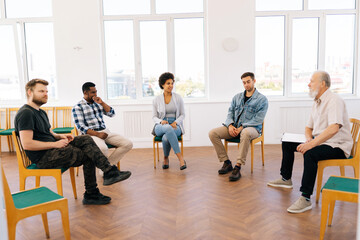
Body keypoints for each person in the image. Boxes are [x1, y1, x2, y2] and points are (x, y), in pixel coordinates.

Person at [15, 79, 130, 205]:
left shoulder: (40, 112)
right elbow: (27, 144)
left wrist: (60, 136)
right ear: (30, 92)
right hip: (44, 157)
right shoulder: (26, 113)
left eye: (46, 91)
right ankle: (93, 192)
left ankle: (108, 172)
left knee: (86, 139)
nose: (45, 94)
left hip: (52, 149)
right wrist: (54, 144)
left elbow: (50, 133)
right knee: (88, 154)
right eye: (41, 91)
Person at [267, 71, 353, 213]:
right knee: (287, 142)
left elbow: (334, 128)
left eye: (312, 81)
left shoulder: (334, 100)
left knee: (310, 153)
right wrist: (309, 138)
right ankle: (286, 179)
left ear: (323, 84)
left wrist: (311, 144)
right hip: (321, 141)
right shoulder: (317, 101)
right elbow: (309, 127)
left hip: (337, 145)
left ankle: (306, 198)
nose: (308, 84)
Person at [208, 72, 268, 181]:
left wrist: (242, 127)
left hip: (253, 129)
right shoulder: (237, 97)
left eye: (248, 82)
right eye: (244, 83)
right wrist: (230, 125)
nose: (246, 85)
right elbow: (230, 112)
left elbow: (258, 119)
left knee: (245, 133)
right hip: (234, 127)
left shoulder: (262, 99)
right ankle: (227, 163)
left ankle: (238, 167)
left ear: (254, 81)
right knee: (213, 133)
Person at [72, 82, 133, 167]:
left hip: (104, 131)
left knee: (127, 143)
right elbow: (81, 127)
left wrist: (102, 103)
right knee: (103, 148)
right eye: (93, 92)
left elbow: (112, 114)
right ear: (85, 92)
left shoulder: (98, 103)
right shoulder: (77, 107)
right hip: (91, 135)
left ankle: (108, 168)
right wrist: (98, 134)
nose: (95, 94)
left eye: (96, 92)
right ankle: (107, 171)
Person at [152, 72, 186, 170]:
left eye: (172, 83)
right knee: (167, 128)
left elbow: (183, 114)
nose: (171, 86)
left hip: (175, 125)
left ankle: (166, 158)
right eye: (168, 83)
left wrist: (176, 122)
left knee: (166, 138)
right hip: (160, 126)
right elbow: (154, 117)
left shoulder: (178, 98)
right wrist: (161, 121)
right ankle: (181, 159)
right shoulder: (156, 100)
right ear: (162, 85)